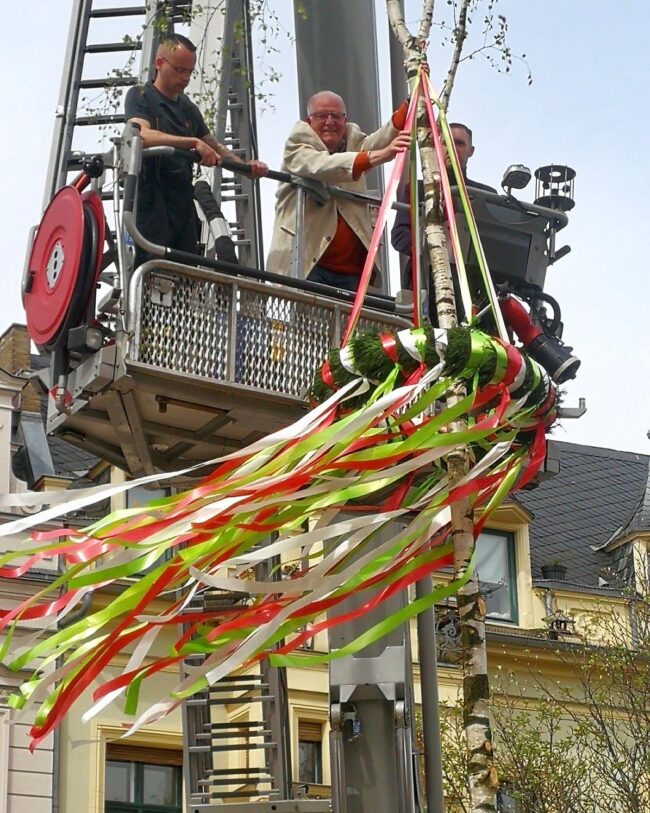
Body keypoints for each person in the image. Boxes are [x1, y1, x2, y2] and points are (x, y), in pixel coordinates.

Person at [124, 34, 268, 264]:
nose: (185, 78)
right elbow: (141, 134)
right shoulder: (141, 95)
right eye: (180, 70)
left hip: (181, 200)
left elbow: (213, 145)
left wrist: (244, 167)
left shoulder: (187, 108)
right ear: (159, 63)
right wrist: (191, 143)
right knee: (154, 265)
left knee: (186, 268)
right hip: (151, 196)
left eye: (190, 72)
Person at [267, 91, 411, 291]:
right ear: (309, 121)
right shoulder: (297, 145)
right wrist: (379, 155)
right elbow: (322, 165)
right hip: (308, 263)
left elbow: (380, 140)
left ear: (345, 120)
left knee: (349, 323)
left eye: (336, 116)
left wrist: (409, 106)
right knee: (310, 321)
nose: (329, 122)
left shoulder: (353, 141)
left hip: (350, 270)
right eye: (321, 116)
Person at [391, 122, 496, 319]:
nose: (452, 149)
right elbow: (399, 235)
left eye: (459, 143)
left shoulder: (486, 196)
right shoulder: (415, 189)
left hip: (472, 287)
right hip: (425, 283)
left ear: (471, 151)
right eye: (445, 143)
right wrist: (433, 249)